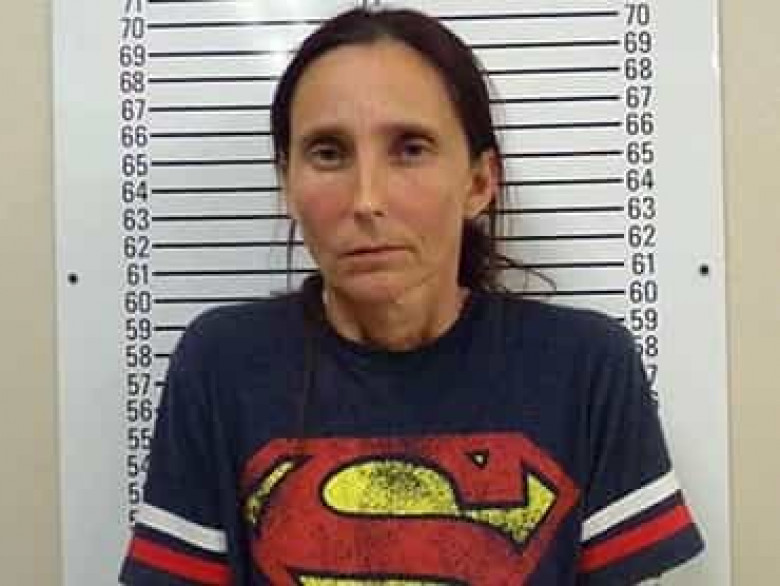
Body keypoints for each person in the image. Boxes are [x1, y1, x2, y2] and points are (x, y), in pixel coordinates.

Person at [120, 7, 703, 585]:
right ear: (287, 185)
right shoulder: (223, 365)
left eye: (410, 148)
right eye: (328, 152)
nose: (366, 199)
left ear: (480, 181)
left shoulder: (586, 368)